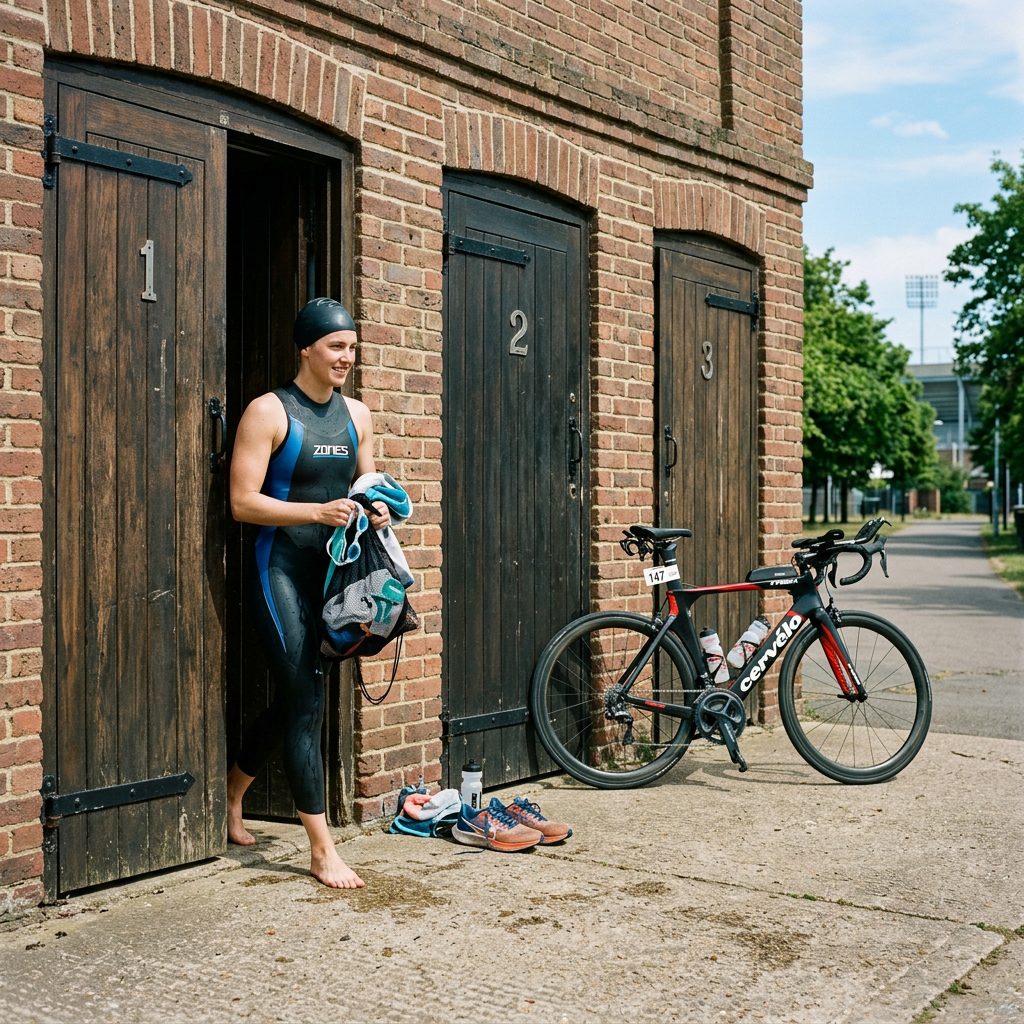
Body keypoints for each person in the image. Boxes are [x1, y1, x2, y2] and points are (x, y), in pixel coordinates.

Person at [226, 298, 390, 889]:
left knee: (298, 698)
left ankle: (233, 792)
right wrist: (316, 511)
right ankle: (322, 849)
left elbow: (367, 485)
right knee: (304, 698)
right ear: (306, 348)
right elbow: (243, 502)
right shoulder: (269, 412)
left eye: (351, 346)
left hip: (331, 577)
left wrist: (376, 512)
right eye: (335, 346)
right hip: (280, 571)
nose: (346, 356)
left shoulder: (357, 415)